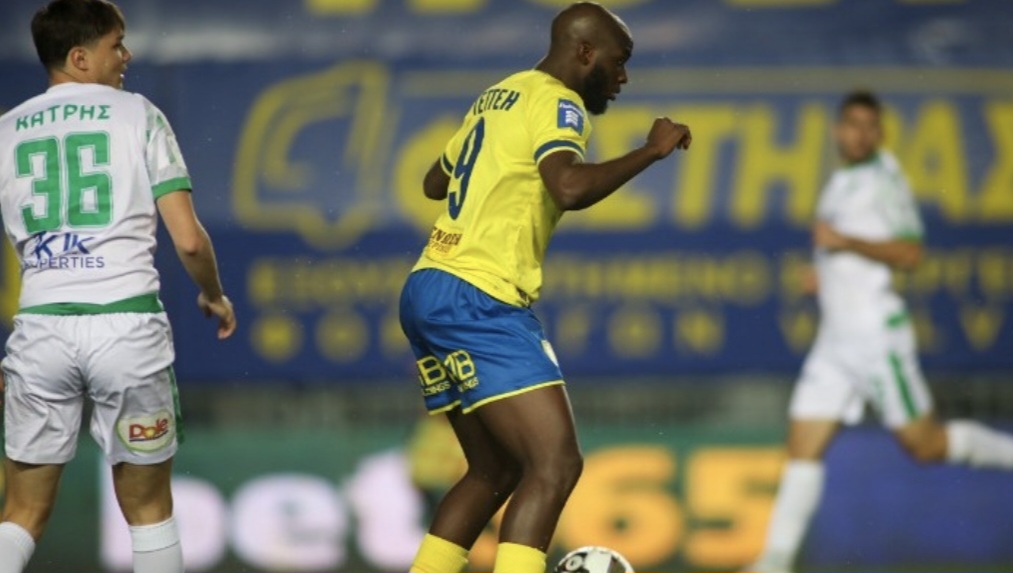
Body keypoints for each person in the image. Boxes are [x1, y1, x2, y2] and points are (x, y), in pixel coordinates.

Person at [398, 3, 691, 573]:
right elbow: (569, 188)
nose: (623, 77)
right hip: (479, 294)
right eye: (619, 62)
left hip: (428, 284)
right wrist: (650, 152)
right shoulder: (561, 103)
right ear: (584, 53)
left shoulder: (500, 94)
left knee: (494, 471)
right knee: (556, 465)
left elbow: (435, 181)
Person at [0, 1, 236, 572]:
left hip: (41, 330)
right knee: (149, 511)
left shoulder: (6, 129)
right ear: (80, 57)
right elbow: (188, 241)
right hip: (126, 325)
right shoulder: (139, 115)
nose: (126, 55)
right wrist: (213, 294)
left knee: (22, 511)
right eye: (116, 44)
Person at [749, 91, 1013, 573]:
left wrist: (844, 242)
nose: (861, 134)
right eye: (853, 124)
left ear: (881, 133)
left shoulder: (884, 180)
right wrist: (824, 273)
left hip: (875, 338)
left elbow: (911, 253)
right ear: (838, 129)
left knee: (925, 444)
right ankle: (774, 563)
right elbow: (847, 254)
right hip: (835, 341)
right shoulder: (841, 181)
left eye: (870, 126)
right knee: (802, 445)